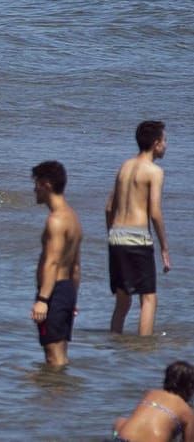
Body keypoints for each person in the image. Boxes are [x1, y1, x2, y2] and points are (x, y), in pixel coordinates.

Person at [105, 120, 171, 336]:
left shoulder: (124, 166)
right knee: (149, 298)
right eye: (164, 140)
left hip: (116, 235)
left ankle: (114, 344)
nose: (166, 145)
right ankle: (143, 350)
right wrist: (164, 247)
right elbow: (155, 213)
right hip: (137, 237)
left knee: (122, 302)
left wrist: (112, 235)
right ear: (155, 143)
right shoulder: (154, 171)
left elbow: (108, 208)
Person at [32, 160, 82, 368]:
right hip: (67, 290)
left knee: (53, 355)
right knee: (60, 354)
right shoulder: (73, 218)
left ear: (47, 185)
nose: (33, 189)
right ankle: (60, 395)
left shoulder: (56, 221)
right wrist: (73, 300)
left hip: (54, 292)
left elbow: (51, 262)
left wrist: (43, 299)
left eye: (36, 183)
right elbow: (76, 267)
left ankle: (51, 397)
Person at [112, 361, 194, 442]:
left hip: (122, 440)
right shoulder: (188, 413)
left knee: (120, 422)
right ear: (190, 387)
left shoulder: (151, 393)